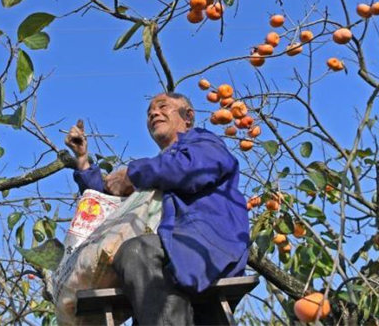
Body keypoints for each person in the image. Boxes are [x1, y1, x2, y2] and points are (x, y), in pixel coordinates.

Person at [64, 92, 249, 326]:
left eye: (163, 107)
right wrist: (82, 159)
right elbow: (108, 198)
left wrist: (133, 174)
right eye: (149, 111)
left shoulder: (204, 143)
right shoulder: (154, 171)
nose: (153, 113)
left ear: (188, 116)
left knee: (136, 250)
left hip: (203, 244)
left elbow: (190, 169)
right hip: (168, 259)